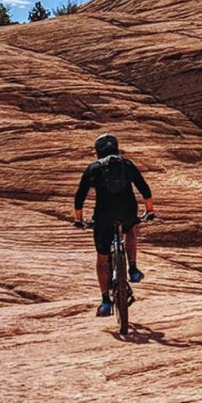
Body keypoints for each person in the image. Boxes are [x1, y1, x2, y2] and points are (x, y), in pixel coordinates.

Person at [72, 133, 155, 317]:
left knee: (102, 259)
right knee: (131, 230)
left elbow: (79, 197)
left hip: (103, 215)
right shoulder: (126, 164)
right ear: (116, 148)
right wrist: (149, 211)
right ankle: (132, 268)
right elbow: (144, 188)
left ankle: (105, 302)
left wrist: (79, 220)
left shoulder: (93, 168)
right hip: (127, 211)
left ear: (97, 151)